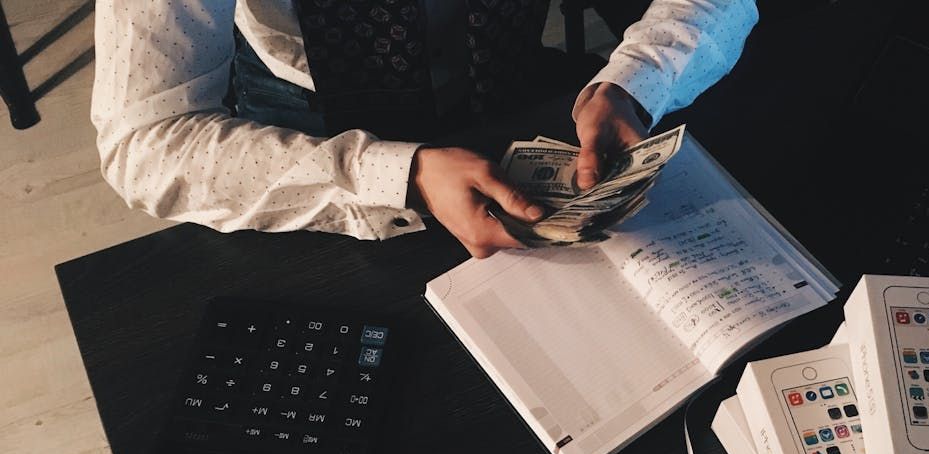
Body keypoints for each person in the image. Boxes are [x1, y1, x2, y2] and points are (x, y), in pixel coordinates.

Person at [91, 0, 758, 258]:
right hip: (312, 145)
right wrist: (395, 175)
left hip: (516, 94)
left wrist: (637, 82)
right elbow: (143, 143)